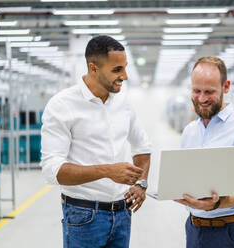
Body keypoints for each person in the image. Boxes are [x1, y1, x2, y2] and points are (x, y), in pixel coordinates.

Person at [40, 35, 151, 248]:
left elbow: (142, 147)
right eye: (117, 69)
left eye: (125, 68)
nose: (125, 76)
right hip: (84, 216)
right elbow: (52, 171)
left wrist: (141, 183)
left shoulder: (123, 103)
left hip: (122, 214)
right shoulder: (62, 105)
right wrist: (108, 171)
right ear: (93, 68)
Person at [175, 56, 234, 248]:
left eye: (209, 92)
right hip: (194, 228)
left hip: (229, 230)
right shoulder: (190, 131)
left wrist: (215, 204)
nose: (202, 99)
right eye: (196, 91)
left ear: (226, 86)